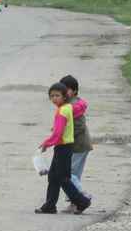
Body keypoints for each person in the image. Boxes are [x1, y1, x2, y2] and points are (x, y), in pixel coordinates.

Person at [36, 83, 92, 215]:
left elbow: (58, 133)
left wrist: (46, 143)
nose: (54, 98)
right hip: (64, 146)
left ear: (64, 97)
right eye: (52, 96)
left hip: (63, 147)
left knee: (62, 178)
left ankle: (82, 201)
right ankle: (50, 205)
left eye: (57, 95)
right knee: (54, 177)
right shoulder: (66, 108)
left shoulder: (62, 111)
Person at [60, 75, 93, 212]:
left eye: (65, 90)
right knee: (74, 174)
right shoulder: (70, 104)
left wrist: (63, 135)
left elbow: (79, 126)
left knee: (68, 174)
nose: (63, 93)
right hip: (76, 145)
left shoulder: (75, 106)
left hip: (78, 145)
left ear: (74, 90)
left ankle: (82, 196)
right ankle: (75, 203)